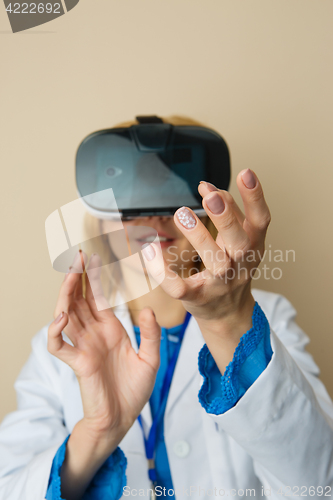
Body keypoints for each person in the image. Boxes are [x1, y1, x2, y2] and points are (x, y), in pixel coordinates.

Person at [1, 116, 333, 500]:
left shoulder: (267, 318)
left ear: (204, 214)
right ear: (103, 222)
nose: (154, 214)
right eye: (130, 196)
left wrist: (230, 323)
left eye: (170, 190)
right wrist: (98, 431)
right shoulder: (61, 347)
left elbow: (321, 486)